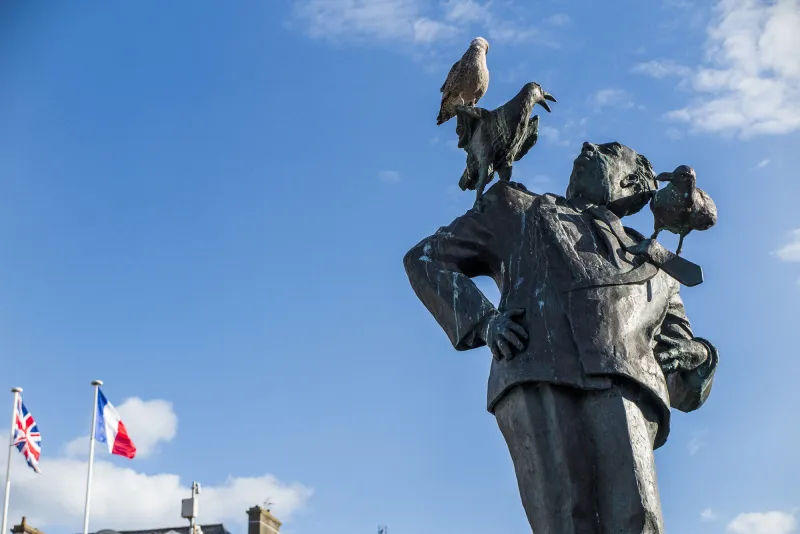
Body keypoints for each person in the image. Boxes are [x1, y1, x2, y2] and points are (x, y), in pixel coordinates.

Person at [403, 141, 719, 533]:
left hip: (629, 386)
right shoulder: (514, 208)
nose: (587, 146)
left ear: (632, 180)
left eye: (607, 149)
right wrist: (484, 320)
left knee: (638, 520)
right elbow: (426, 258)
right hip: (539, 367)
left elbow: (681, 370)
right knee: (567, 518)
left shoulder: (662, 268)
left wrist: (699, 355)